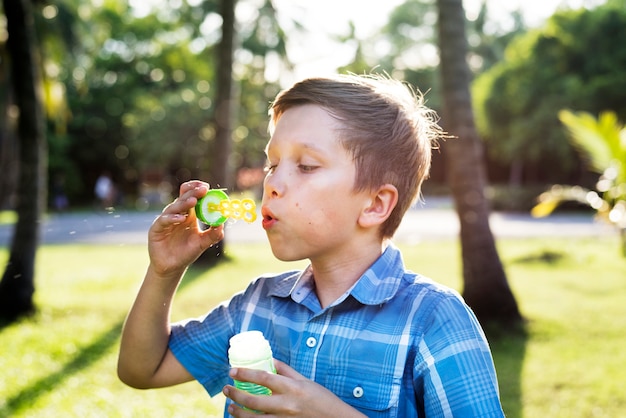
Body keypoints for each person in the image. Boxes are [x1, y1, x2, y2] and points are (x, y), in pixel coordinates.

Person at [117, 74, 505, 417]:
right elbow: (143, 369)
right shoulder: (257, 306)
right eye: (273, 164)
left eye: (305, 166)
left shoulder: (433, 320)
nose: (272, 183)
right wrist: (164, 271)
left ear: (374, 204)